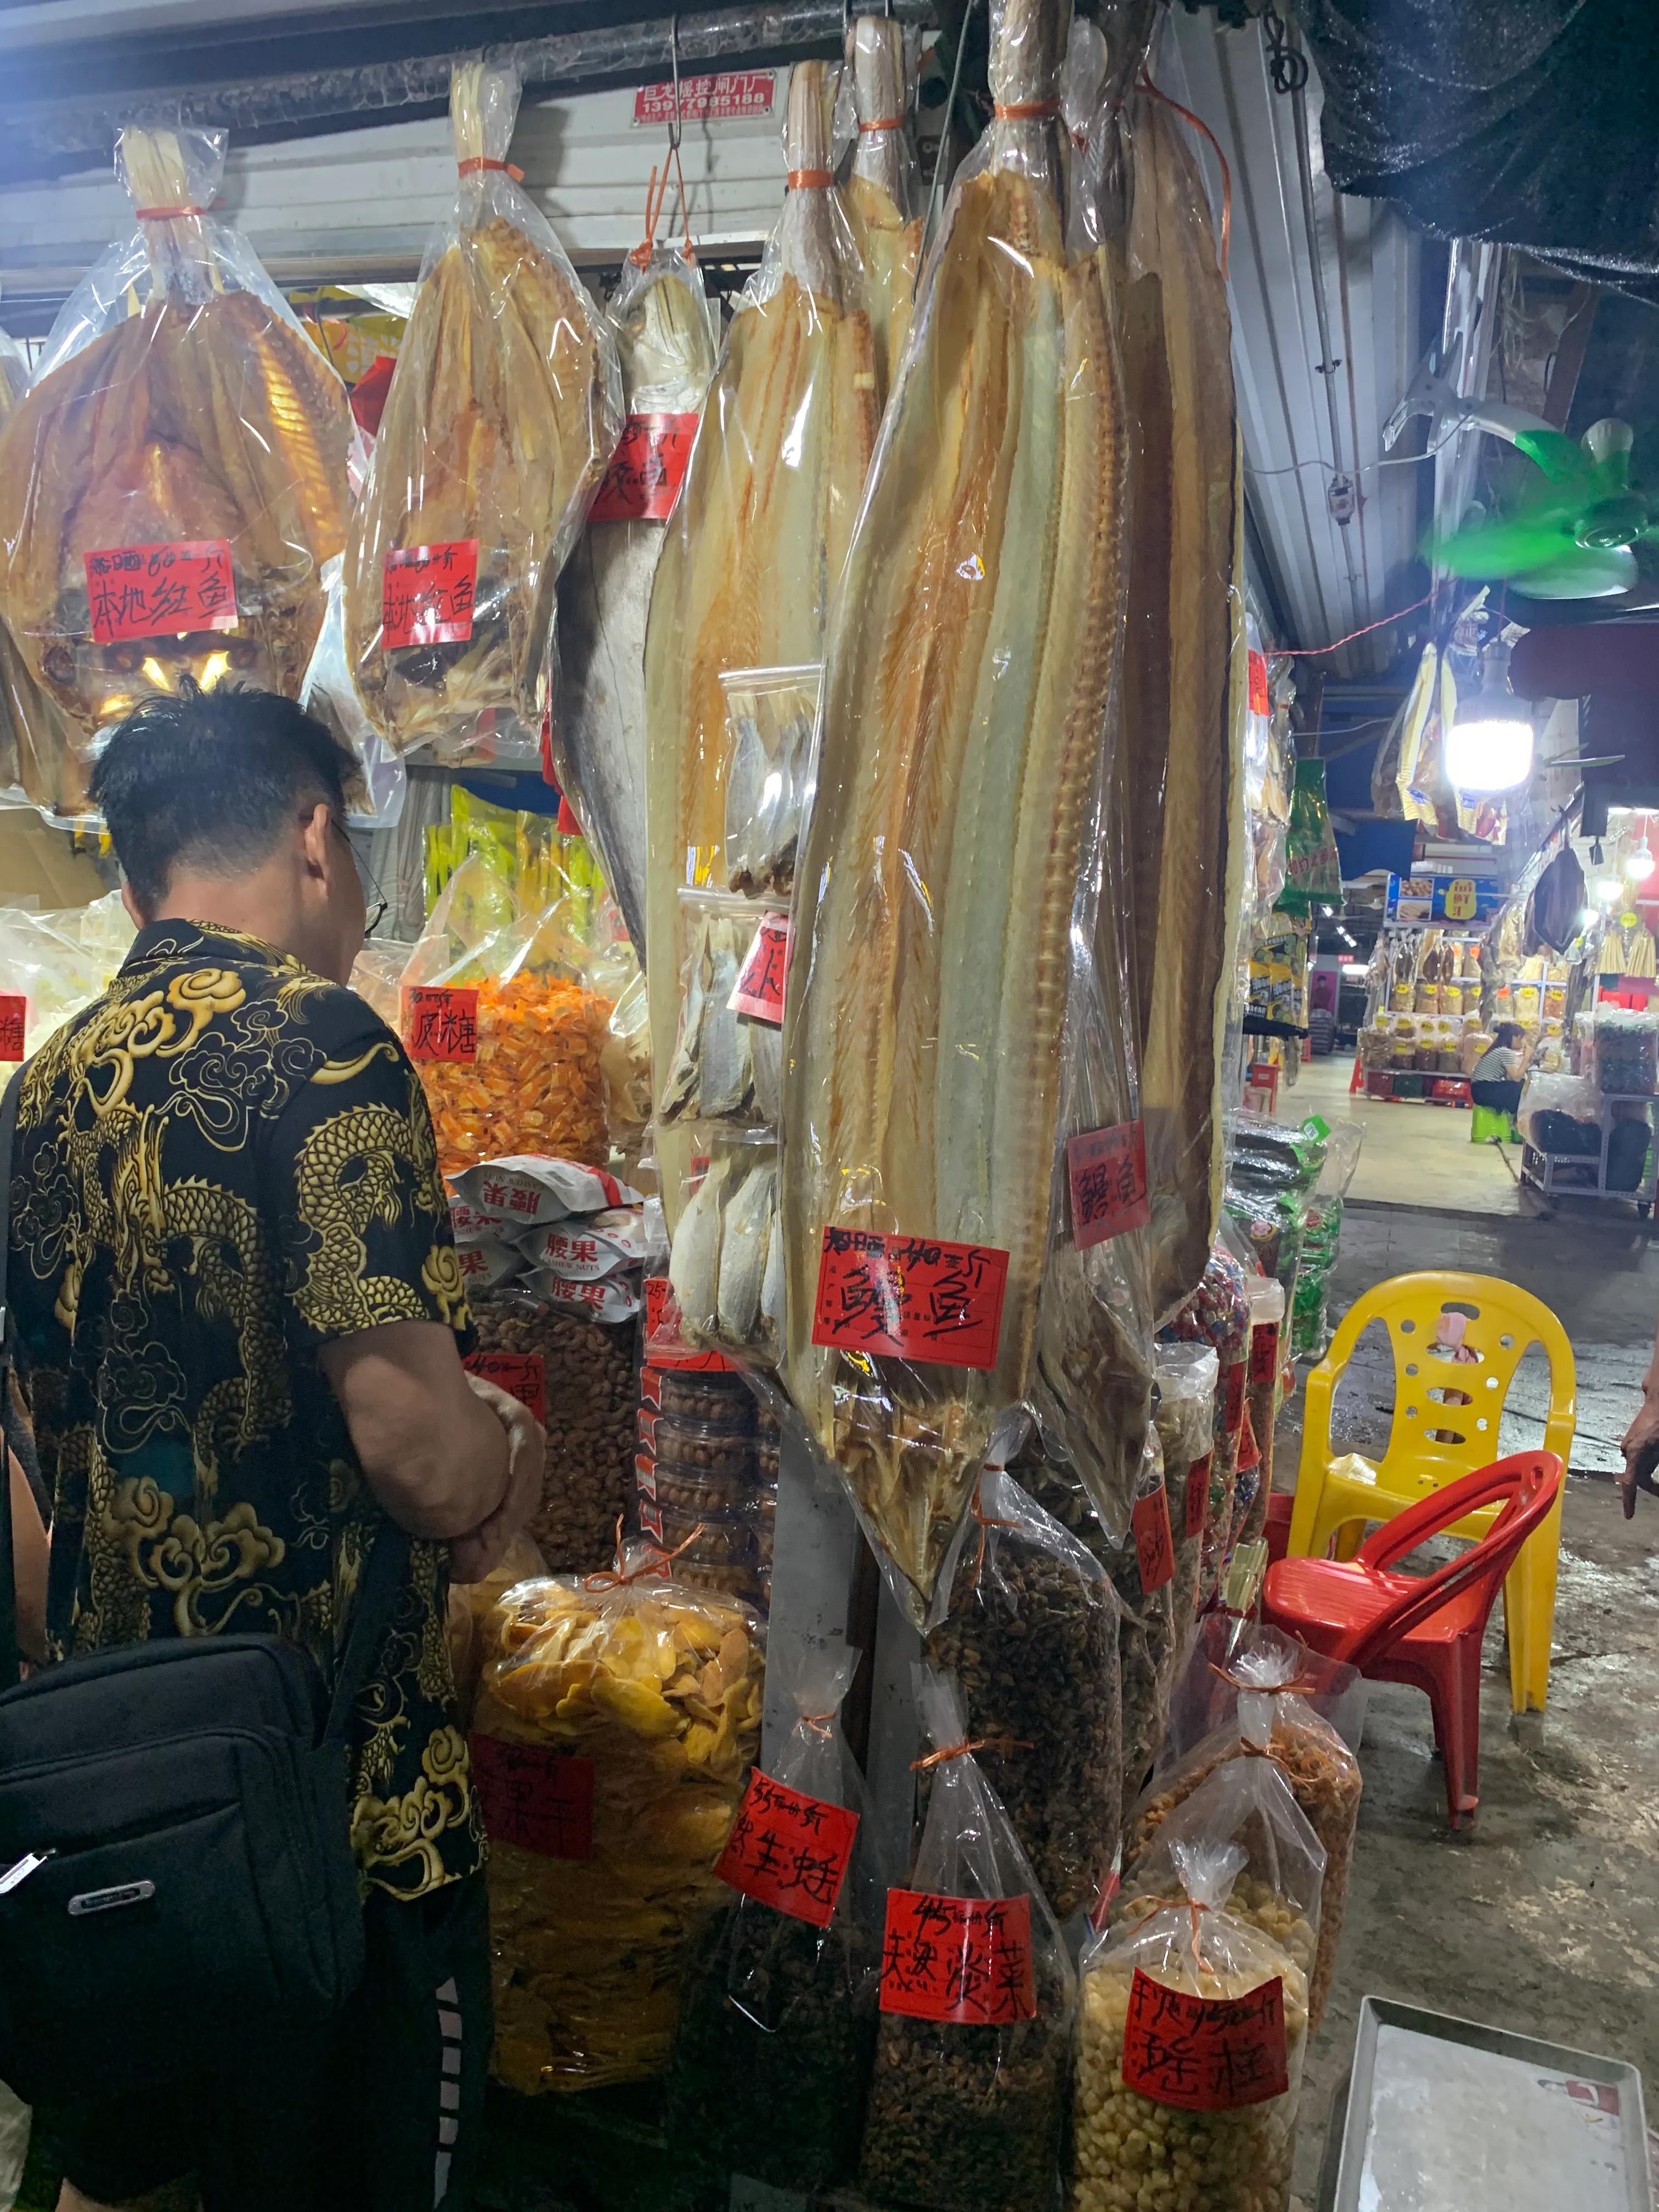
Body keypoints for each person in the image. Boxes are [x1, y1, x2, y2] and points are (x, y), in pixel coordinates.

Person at [2, 683, 544, 2212]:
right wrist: (508, 1454)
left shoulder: (40, 1092)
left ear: (133, 876)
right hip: (338, 1818)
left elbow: (34, 1464)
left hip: (121, 1805)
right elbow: (419, 1459)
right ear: (315, 836)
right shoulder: (331, 1054)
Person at [1470, 1022, 1528, 1121]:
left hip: (1479, 1090)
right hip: (1484, 1091)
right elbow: (1516, 1077)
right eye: (1521, 1039)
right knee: (1522, 1088)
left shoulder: (1498, 1049)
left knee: (1519, 1087)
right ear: (1514, 1038)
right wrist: (1527, 1057)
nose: (1522, 1043)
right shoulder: (1505, 1051)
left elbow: (1511, 1077)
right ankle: (1514, 1123)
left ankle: (1511, 1121)